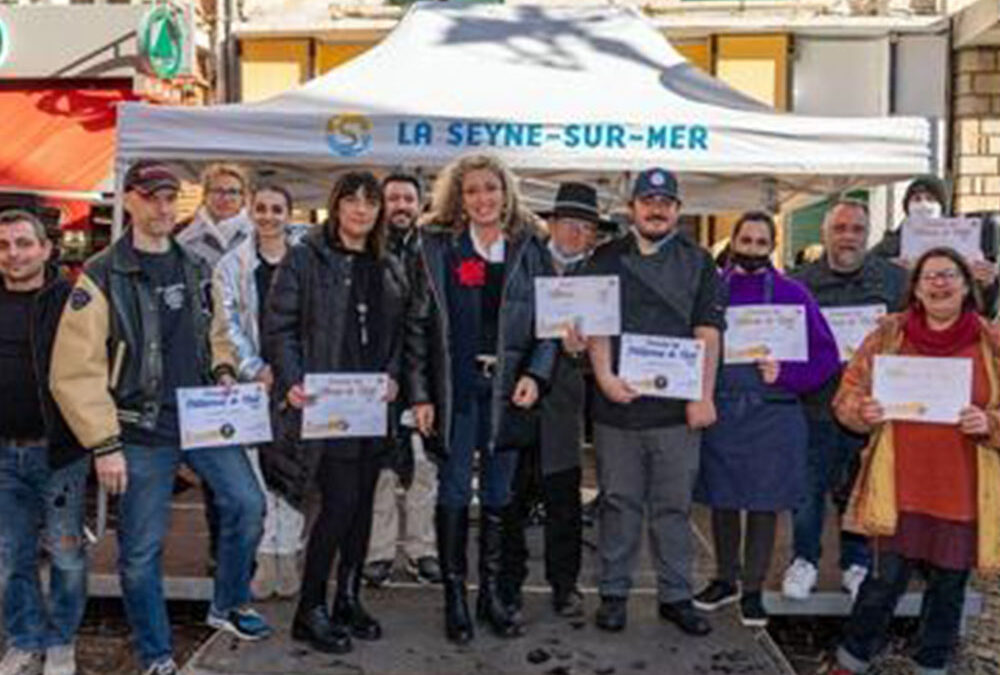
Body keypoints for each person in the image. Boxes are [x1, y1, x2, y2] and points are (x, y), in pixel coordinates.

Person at [50, 161, 270, 675]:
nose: (163, 208)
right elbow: (74, 372)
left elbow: (217, 330)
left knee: (248, 503)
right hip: (138, 429)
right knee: (141, 551)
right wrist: (105, 444)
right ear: (128, 200)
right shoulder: (102, 275)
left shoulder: (194, 266)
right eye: (151, 198)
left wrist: (222, 367)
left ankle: (228, 602)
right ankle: (155, 654)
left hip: (201, 417)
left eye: (171, 198)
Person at [263, 171, 421, 655]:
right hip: (326, 406)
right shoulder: (306, 257)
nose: (361, 210)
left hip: (372, 407)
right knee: (339, 506)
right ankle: (310, 609)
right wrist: (292, 380)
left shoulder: (388, 264)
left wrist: (396, 375)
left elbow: (402, 332)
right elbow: (279, 325)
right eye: (351, 201)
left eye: (370, 202)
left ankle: (347, 598)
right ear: (336, 206)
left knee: (360, 512)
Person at [407, 153, 558, 643]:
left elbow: (551, 325)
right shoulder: (436, 248)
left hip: (508, 393)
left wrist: (536, 374)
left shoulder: (531, 247)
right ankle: (454, 596)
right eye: (472, 190)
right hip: (456, 392)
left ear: (506, 192)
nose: (482, 199)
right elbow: (416, 329)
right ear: (458, 196)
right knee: (452, 491)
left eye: (490, 188)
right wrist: (422, 395)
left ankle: (490, 595)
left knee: (499, 494)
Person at [830, 247, 1000, 675]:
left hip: (961, 490)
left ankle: (932, 664)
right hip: (898, 485)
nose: (939, 283)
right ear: (917, 288)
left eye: (949, 275)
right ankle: (852, 660)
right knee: (882, 582)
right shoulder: (889, 334)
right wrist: (860, 409)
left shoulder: (992, 341)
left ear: (967, 285)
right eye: (929, 277)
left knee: (949, 588)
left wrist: (991, 421)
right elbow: (847, 392)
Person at [583, 168, 725, 636]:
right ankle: (614, 593)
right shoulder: (603, 258)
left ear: (678, 211)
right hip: (617, 407)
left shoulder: (699, 261)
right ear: (632, 209)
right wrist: (604, 378)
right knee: (619, 503)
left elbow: (708, 331)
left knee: (673, 507)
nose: (657, 208)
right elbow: (596, 324)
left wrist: (703, 396)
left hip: (676, 412)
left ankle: (676, 595)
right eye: (648, 200)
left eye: (666, 201)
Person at [692, 212, 839, 627]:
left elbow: (826, 356)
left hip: (774, 414)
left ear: (771, 246)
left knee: (763, 502)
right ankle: (724, 579)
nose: (753, 249)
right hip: (722, 408)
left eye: (761, 242)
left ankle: (753, 589)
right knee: (722, 498)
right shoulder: (710, 292)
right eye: (746, 240)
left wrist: (789, 374)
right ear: (732, 241)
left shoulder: (795, 294)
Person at [784, 200, 908, 602]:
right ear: (825, 234)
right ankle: (804, 560)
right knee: (807, 488)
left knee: (861, 486)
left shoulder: (894, 281)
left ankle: (856, 563)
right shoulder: (799, 282)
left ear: (867, 234)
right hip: (814, 404)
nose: (848, 237)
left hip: (869, 407)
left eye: (856, 229)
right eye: (840, 229)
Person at [498, 182, 602, 620]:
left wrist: (583, 355)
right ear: (552, 225)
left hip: (564, 407)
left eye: (584, 227)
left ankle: (565, 586)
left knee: (563, 504)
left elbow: (605, 348)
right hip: (517, 398)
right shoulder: (521, 260)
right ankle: (508, 583)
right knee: (511, 500)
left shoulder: (598, 278)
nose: (575, 234)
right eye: (568, 224)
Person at [0, 210, 88, 675]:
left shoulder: (72, 300)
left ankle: (61, 641)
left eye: (23, 243)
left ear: (46, 249)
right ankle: (24, 638)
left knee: (66, 552)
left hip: (60, 452)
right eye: (4, 245)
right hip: (3, 454)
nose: (13, 254)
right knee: (12, 554)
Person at [210, 183, 307, 600]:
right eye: (262, 208)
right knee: (260, 470)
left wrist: (300, 371)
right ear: (251, 211)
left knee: (298, 468)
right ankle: (267, 556)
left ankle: (291, 553)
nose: (269, 216)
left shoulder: (307, 259)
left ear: (289, 212)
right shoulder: (232, 264)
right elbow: (227, 322)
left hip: (301, 380)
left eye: (277, 209)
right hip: (259, 382)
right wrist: (254, 368)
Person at [363, 172, 442, 588]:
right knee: (381, 471)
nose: (401, 206)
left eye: (408, 199)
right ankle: (378, 551)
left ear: (420, 204)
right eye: (393, 198)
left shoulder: (434, 250)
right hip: (380, 377)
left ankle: (421, 549)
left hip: (426, 375)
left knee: (425, 467)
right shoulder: (367, 252)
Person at [870, 176, 998, 317]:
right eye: (917, 199)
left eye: (930, 199)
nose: (923, 204)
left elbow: (984, 309)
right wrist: (888, 269)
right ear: (907, 206)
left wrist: (987, 284)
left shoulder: (963, 241)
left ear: (943, 207)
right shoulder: (889, 245)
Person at [176, 163, 254, 268]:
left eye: (233, 192)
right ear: (205, 195)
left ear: (243, 197)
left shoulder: (259, 235)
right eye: (218, 191)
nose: (226, 199)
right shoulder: (184, 238)